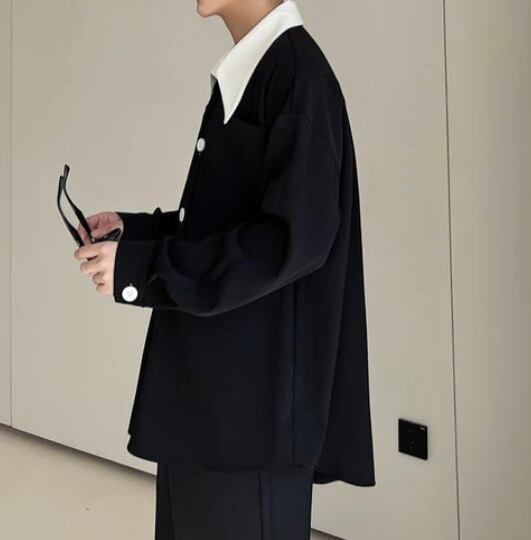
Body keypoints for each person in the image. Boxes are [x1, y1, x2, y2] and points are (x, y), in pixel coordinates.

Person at [74, 0, 375, 538]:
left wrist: (144, 270)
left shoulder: (298, 79)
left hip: (248, 427)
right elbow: (227, 224)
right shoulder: (260, 70)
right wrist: (134, 231)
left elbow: (288, 241)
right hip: (211, 411)